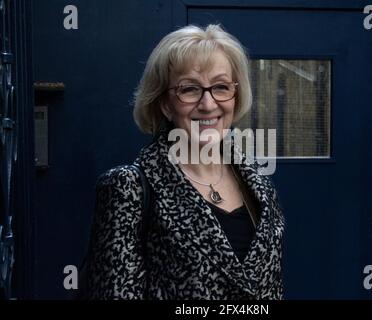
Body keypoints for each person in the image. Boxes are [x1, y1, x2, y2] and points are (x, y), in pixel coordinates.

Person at [84, 24, 284, 300]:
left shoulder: (260, 186)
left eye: (221, 87)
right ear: (165, 104)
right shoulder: (128, 187)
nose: (208, 103)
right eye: (189, 89)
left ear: (235, 98)